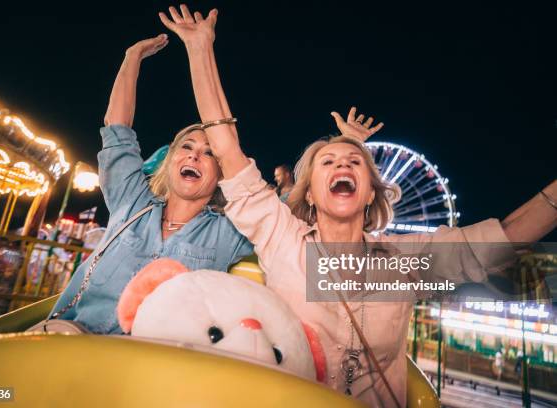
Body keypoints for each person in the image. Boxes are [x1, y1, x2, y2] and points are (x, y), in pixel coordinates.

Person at [159, 5, 557, 407]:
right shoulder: (283, 238)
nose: (343, 165)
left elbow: (505, 238)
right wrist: (199, 48)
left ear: (371, 193)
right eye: (327, 162)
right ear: (310, 193)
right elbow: (226, 145)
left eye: (354, 162)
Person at [49, 31, 253, 334]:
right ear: (170, 160)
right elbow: (117, 130)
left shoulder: (229, 232)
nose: (195, 156)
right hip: (72, 334)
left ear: (221, 173)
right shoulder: (131, 200)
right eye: (186, 147)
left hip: (152, 362)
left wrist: (200, 51)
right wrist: (132, 58)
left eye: (209, 153)